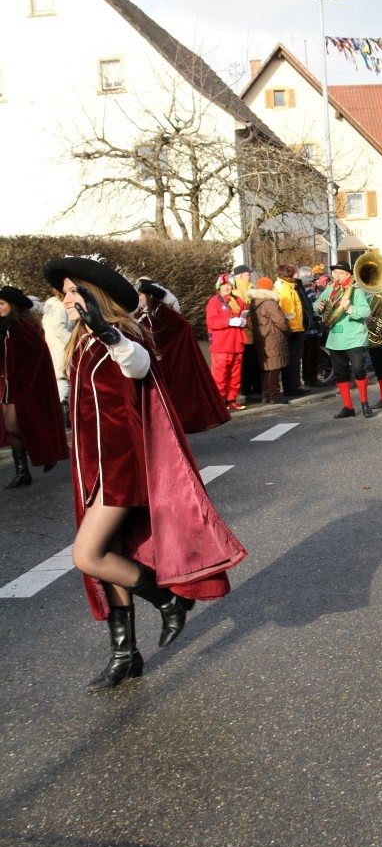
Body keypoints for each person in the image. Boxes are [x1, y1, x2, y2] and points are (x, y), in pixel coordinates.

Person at [42, 255, 247, 692]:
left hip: (124, 464)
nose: (66, 298)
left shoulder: (124, 335)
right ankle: (124, 655)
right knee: (107, 556)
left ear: (96, 296)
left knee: (88, 554)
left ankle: (167, 597)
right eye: (64, 291)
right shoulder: (78, 341)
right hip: (92, 466)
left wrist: (106, 330)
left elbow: (138, 365)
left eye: (74, 290)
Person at [137, 279, 230, 432]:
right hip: (147, 365)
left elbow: (180, 326)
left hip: (165, 365)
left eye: (141, 294)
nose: (138, 298)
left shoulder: (162, 312)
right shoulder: (138, 314)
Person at [1, 286, 69, 488]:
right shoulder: (4, 327)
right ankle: (22, 472)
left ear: (13, 306)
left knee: (12, 424)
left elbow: (34, 360)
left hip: (22, 386)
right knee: (10, 428)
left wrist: (25, 382)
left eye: (2, 304)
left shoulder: (23, 329)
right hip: (6, 384)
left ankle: (44, 449)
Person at [313, 261, 372, 418]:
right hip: (335, 338)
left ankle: (365, 402)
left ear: (348, 275)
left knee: (359, 369)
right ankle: (348, 407)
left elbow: (366, 311)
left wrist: (350, 308)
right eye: (335, 273)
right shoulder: (331, 289)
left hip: (354, 337)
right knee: (340, 373)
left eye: (340, 273)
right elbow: (317, 304)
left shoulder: (356, 290)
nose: (336, 276)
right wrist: (318, 306)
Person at [206, 274, 247, 412]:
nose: (227, 287)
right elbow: (211, 322)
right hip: (221, 345)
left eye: (229, 284)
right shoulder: (214, 302)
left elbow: (245, 318)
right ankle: (218, 402)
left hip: (237, 343)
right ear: (219, 287)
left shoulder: (239, 301)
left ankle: (231, 400)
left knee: (235, 375)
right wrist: (228, 322)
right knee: (220, 375)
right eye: (224, 285)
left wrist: (244, 322)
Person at [249, 277, 290, 404]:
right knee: (274, 368)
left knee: (266, 368)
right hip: (273, 338)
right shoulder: (269, 303)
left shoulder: (254, 302)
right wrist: (288, 329)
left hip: (261, 338)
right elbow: (280, 321)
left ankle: (265, 395)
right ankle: (274, 395)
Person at [42, 286, 73, 429]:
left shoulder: (50, 306)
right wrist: (73, 343)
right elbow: (58, 327)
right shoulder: (59, 306)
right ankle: (63, 417)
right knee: (63, 381)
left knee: (61, 381)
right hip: (62, 348)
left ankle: (62, 416)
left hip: (55, 348)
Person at [233, 264, 262, 402]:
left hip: (249, 334)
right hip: (246, 334)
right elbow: (245, 313)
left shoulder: (247, 287)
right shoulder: (239, 290)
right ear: (240, 276)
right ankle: (248, 391)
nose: (250, 275)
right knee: (248, 364)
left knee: (251, 363)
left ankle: (251, 390)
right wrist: (252, 326)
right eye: (247, 273)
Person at [275, 264, 305, 397]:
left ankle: (293, 386)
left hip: (293, 328)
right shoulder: (285, 288)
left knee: (293, 360)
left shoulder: (286, 286)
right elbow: (289, 312)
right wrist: (294, 328)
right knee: (292, 360)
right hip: (292, 330)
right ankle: (291, 388)